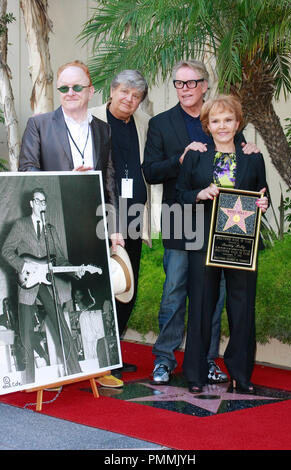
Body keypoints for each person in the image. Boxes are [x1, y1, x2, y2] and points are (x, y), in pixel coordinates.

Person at [143, 59, 260, 385]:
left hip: (220, 224)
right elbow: (150, 171)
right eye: (179, 83)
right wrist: (180, 158)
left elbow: (240, 165)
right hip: (182, 218)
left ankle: (208, 360)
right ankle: (164, 359)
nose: (185, 89)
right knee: (175, 291)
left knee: (215, 294)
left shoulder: (222, 118)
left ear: (204, 85)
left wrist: (247, 147)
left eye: (192, 83)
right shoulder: (161, 123)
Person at [18, 60, 124, 388]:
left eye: (77, 87)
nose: (70, 93)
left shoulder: (103, 129)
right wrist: (64, 178)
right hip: (56, 224)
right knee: (57, 295)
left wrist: (114, 226)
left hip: (93, 224)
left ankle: (100, 366)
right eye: (64, 87)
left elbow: (109, 181)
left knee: (96, 287)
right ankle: (56, 370)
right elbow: (27, 169)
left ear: (91, 90)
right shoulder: (39, 125)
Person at [176, 94, 268, 393]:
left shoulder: (253, 156)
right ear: (207, 125)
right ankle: (195, 375)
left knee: (242, 309)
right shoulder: (196, 156)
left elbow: (262, 194)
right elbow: (180, 194)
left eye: (228, 120)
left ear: (237, 123)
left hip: (241, 240)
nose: (222, 125)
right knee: (201, 307)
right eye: (215, 120)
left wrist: (264, 203)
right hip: (203, 241)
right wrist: (199, 194)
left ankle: (241, 375)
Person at [89, 70, 162, 384]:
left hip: (134, 217)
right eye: (125, 93)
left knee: (126, 289)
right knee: (99, 288)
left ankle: (113, 355)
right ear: (112, 90)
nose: (130, 100)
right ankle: (95, 357)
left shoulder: (145, 122)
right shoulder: (90, 118)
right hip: (97, 215)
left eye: (136, 96)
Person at [1, 188, 85, 384]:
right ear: (31, 204)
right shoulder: (20, 225)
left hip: (45, 284)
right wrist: (24, 266)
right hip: (27, 284)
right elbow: (6, 250)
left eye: (44, 202)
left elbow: (61, 260)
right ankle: (29, 382)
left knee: (61, 326)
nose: (41, 204)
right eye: (37, 201)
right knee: (27, 338)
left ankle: (76, 373)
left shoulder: (50, 230)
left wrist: (75, 270)